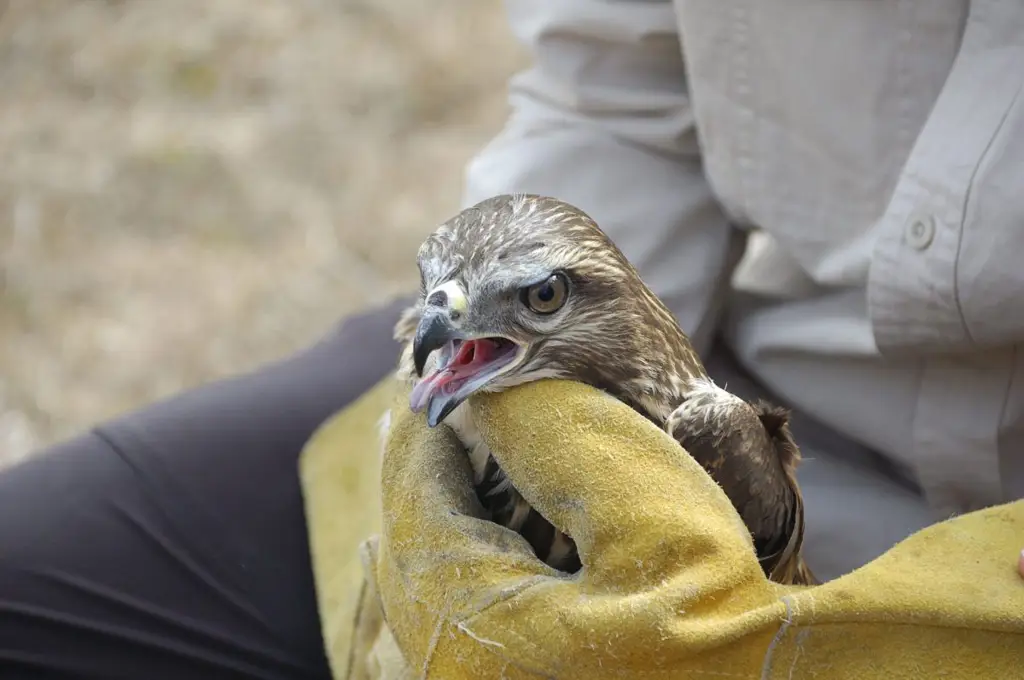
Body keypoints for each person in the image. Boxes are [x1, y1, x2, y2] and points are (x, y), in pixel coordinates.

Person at [2, 1, 1023, 678]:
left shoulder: (718, 440)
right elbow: (610, 98)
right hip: (681, 353)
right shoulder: (492, 341)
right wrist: (480, 381)